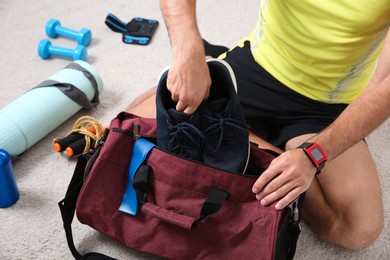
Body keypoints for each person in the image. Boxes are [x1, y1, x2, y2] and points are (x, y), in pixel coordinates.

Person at [127, 0, 390, 250]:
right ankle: (212, 69)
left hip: (326, 106)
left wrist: (313, 155)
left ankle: (247, 131)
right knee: (124, 133)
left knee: (355, 229)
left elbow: (385, 85)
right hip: (255, 68)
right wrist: (189, 52)